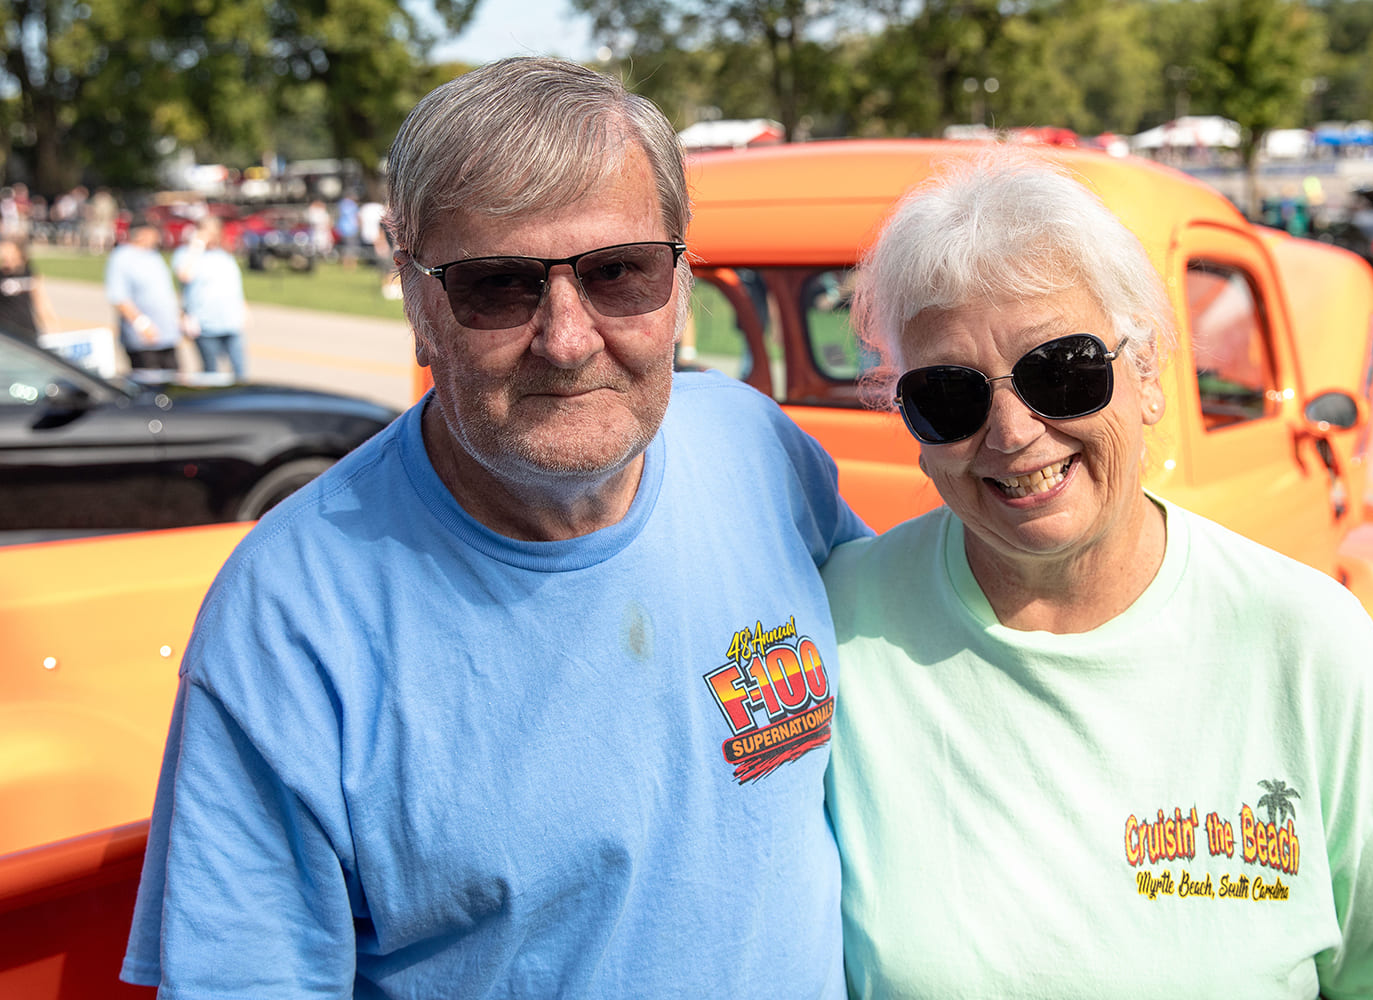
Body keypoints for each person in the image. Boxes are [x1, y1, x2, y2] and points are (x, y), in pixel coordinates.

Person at [121, 56, 866, 998]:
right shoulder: (290, 617)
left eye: (617, 273)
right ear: (418, 300)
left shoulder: (760, 451)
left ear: (679, 280)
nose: (565, 336)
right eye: (498, 287)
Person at [821, 152, 1373, 998]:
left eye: (1062, 371)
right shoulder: (837, 629)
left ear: (1146, 374)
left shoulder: (1311, 645)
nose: (1010, 433)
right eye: (949, 396)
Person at [172, 215, 248, 379]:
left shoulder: (224, 256)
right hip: (204, 325)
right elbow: (185, 275)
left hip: (230, 322)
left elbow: (234, 287)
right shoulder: (186, 255)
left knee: (240, 372)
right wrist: (196, 246)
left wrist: (244, 309)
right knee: (211, 373)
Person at [104, 220, 181, 371]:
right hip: (142, 339)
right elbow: (118, 296)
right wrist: (142, 323)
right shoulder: (122, 258)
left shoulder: (154, 256)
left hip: (167, 334)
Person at [0, 237, 61, 343]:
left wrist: (53, 326)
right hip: (7, 336)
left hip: (28, 332)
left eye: (10, 255)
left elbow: (41, 300)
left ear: (19, 253)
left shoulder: (29, 271)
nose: (6, 259)